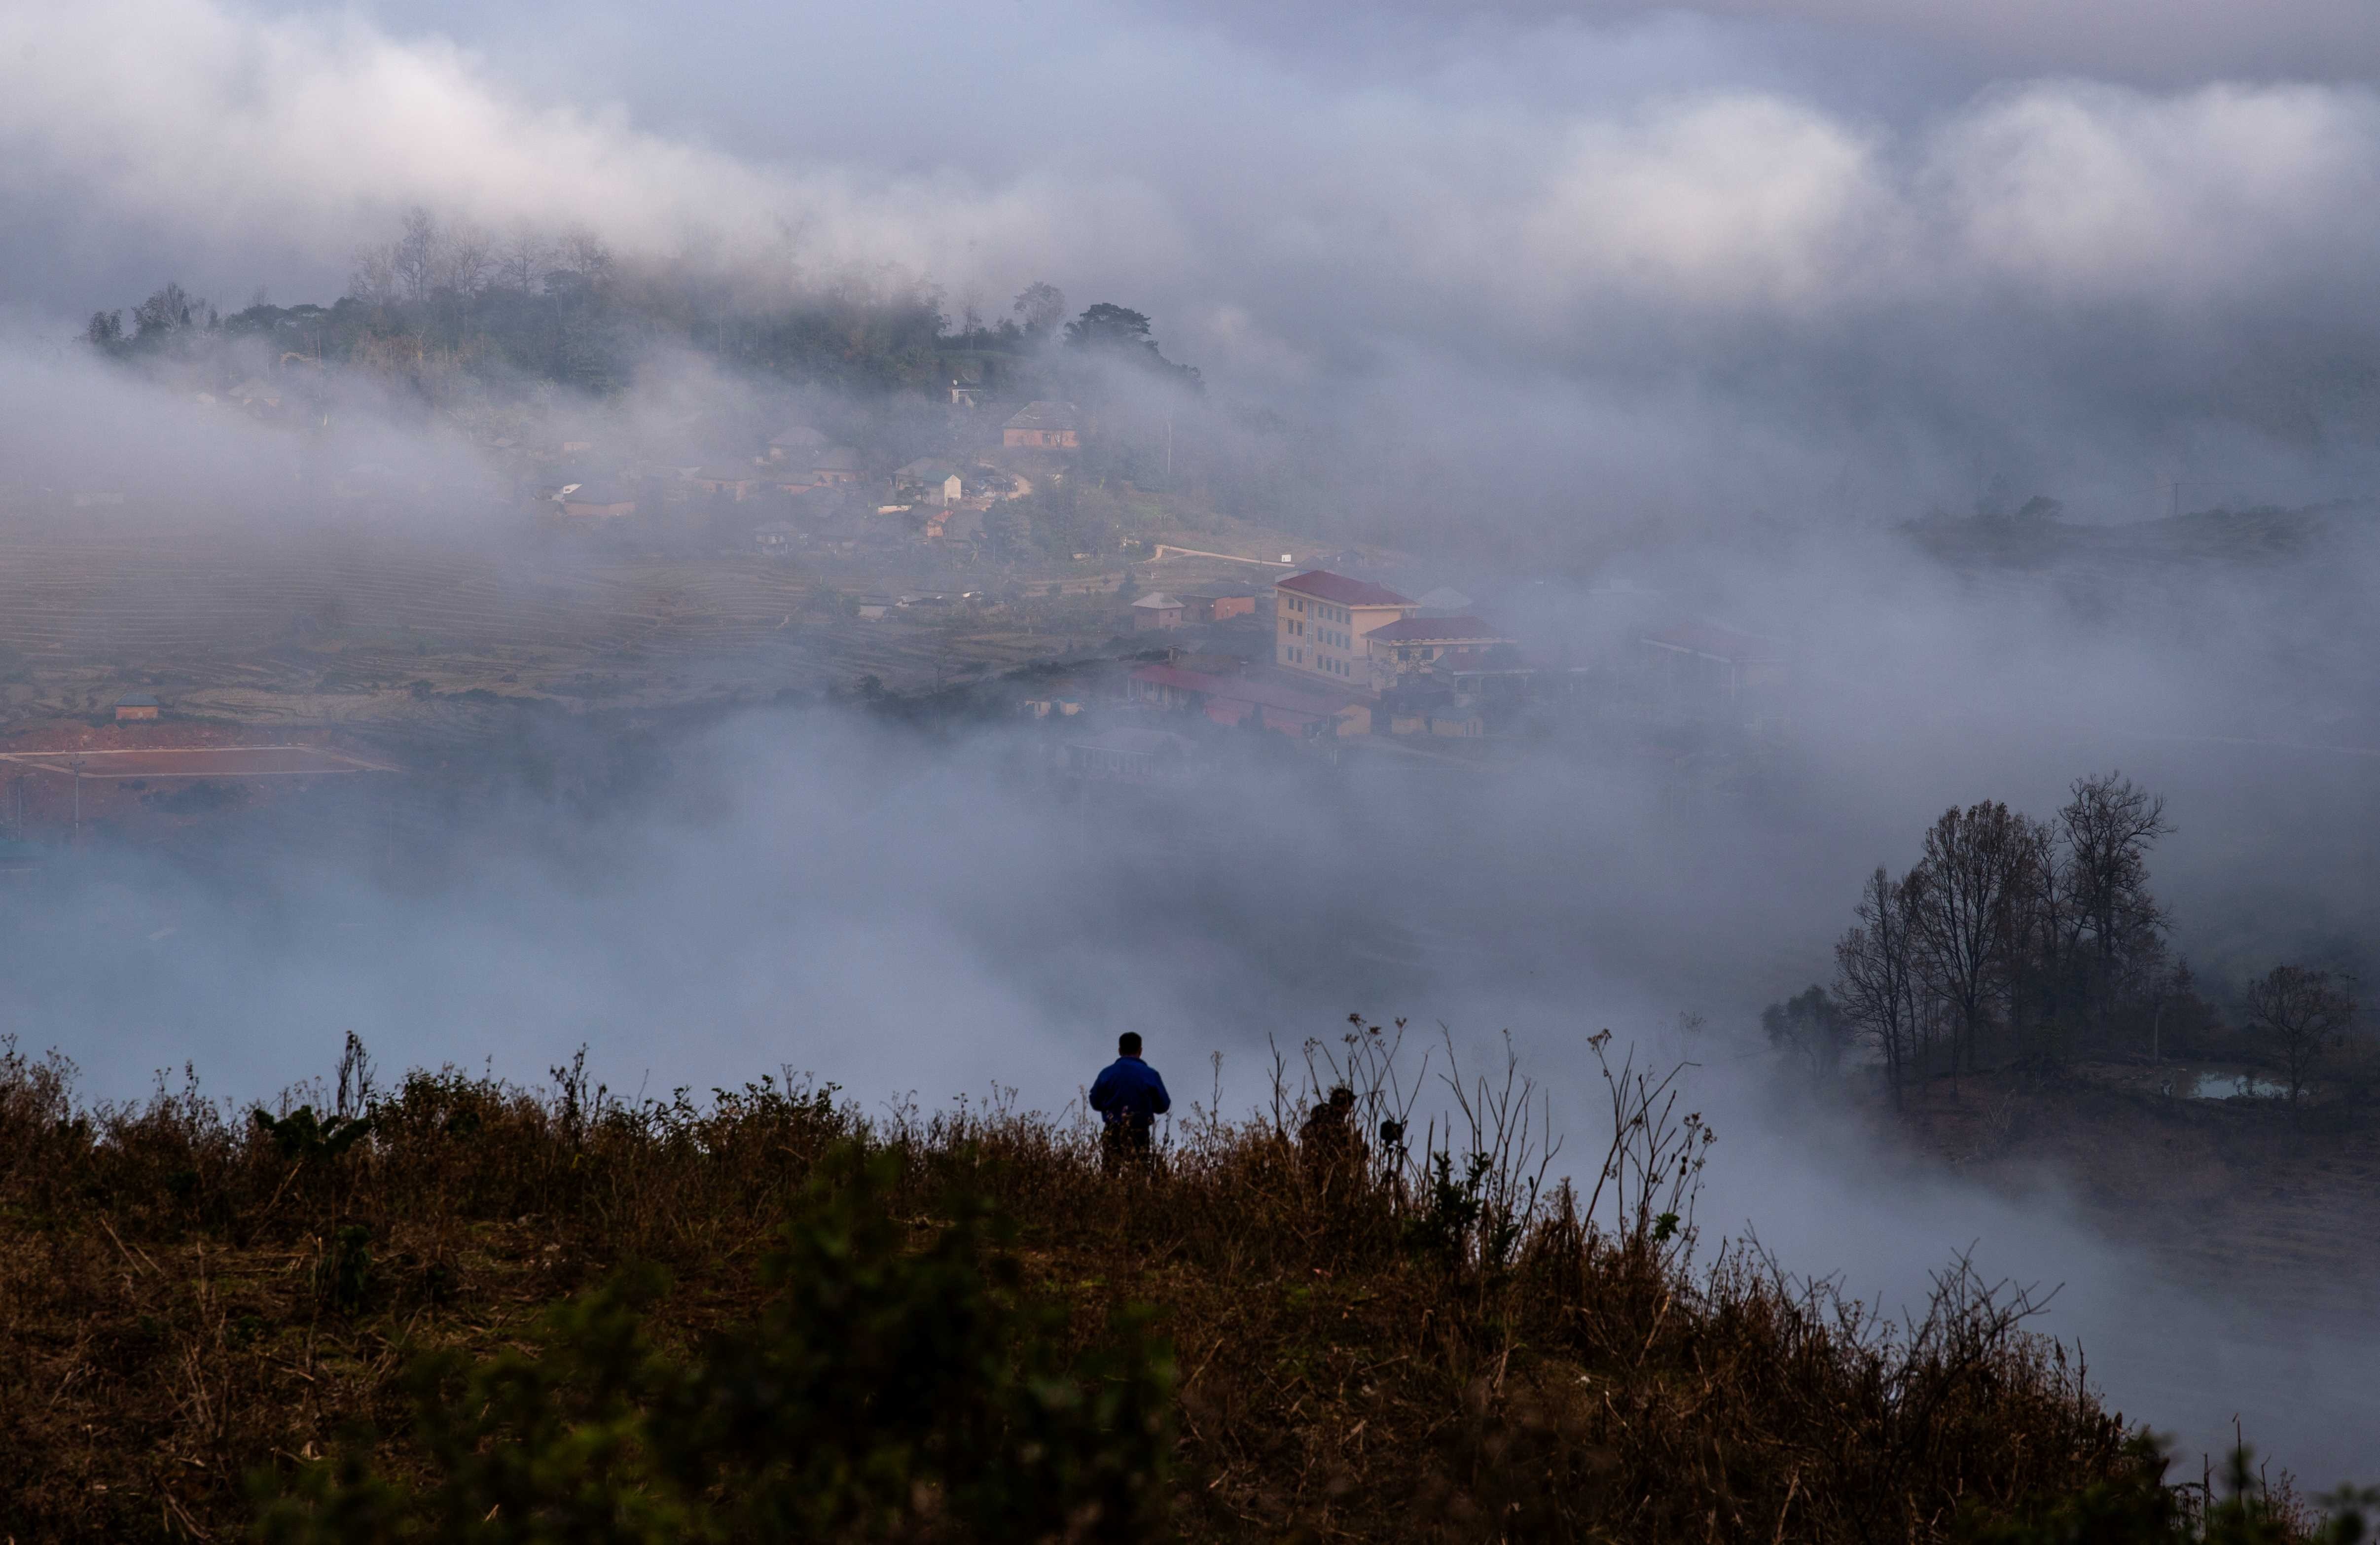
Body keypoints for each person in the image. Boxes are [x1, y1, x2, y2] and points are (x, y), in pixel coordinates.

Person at [1089, 1032, 1170, 1171]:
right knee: (1139, 1175)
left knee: (1110, 1175)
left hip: (1112, 1130)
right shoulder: (1151, 1075)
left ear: (1120, 1051)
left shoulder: (1107, 1074)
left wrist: (1110, 1108)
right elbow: (1164, 1105)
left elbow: (1095, 1101)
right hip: (1140, 1132)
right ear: (1140, 1051)